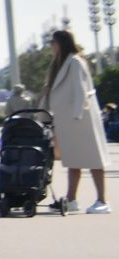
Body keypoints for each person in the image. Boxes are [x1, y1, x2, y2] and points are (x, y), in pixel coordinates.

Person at [39, 30, 110, 214]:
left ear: (61, 42)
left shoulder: (75, 62)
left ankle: (102, 200)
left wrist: (77, 114)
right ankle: (71, 199)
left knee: (94, 160)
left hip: (81, 119)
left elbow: (81, 89)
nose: (51, 46)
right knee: (73, 160)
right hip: (68, 121)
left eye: (52, 42)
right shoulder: (58, 63)